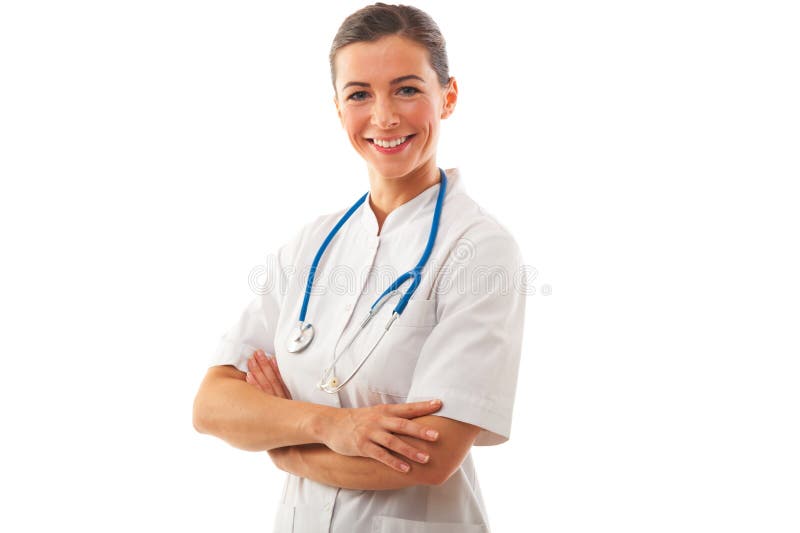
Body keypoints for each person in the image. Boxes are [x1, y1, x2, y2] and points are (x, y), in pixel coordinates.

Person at [192, 3, 526, 532]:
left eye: (408, 88)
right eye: (359, 94)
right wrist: (330, 426)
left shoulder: (480, 249)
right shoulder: (311, 244)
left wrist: (285, 447)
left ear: (449, 96)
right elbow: (212, 404)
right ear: (338, 106)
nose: (384, 116)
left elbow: (432, 457)